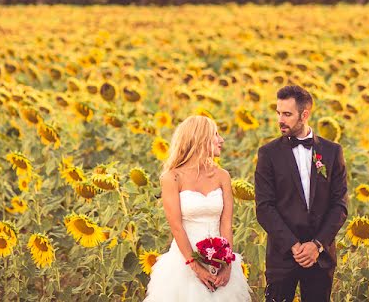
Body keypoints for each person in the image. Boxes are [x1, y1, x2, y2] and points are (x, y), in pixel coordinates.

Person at [255, 84, 348, 302]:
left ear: (304, 115)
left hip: (320, 256)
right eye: (278, 113)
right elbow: (264, 207)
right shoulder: (268, 154)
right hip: (283, 255)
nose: (280, 119)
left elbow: (340, 204)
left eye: (287, 114)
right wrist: (295, 246)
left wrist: (316, 245)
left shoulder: (332, 152)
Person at [144, 115, 252, 301]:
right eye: (215, 135)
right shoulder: (172, 178)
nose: (221, 140)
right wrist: (196, 267)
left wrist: (227, 264)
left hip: (219, 261)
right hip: (184, 262)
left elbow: (226, 223)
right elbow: (176, 226)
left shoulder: (222, 176)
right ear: (200, 138)